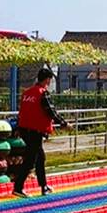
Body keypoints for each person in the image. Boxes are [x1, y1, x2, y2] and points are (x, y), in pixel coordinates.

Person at [12, 65, 68, 198]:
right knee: (31, 160)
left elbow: (23, 112)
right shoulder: (42, 93)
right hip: (35, 131)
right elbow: (51, 111)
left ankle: (43, 186)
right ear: (47, 80)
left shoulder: (27, 93)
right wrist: (63, 123)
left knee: (40, 158)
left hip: (25, 129)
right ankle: (18, 187)